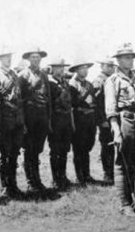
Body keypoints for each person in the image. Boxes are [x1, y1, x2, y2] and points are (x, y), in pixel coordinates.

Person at [105, 43, 135, 217]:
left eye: (131, 57)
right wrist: (116, 131)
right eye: (126, 58)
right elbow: (110, 109)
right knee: (121, 163)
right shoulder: (113, 81)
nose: (130, 61)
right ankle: (125, 205)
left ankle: (133, 204)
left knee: (132, 164)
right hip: (124, 122)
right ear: (118, 61)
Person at [0, 48, 25, 198]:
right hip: (4, 121)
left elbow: (19, 99)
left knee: (15, 153)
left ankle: (13, 185)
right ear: (0, 59)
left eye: (9, 57)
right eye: (5, 57)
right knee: (5, 154)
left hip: (17, 121)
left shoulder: (14, 75)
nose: (8, 59)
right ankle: (5, 187)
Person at [19, 47, 51, 192]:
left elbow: (48, 97)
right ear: (28, 59)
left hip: (42, 116)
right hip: (30, 115)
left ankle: (37, 180)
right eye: (33, 57)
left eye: (38, 57)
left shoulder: (44, 75)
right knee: (29, 149)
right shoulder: (23, 75)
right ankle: (31, 182)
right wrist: (23, 122)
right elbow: (20, 100)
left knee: (37, 150)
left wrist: (48, 119)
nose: (36, 59)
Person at [47, 57, 74, 190]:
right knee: (55, 150)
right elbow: (49, 104)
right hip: (55, 119)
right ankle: (55, 179)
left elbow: (69, 104)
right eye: (57, 67)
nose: (60, 70)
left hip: (66, 119)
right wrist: (50, 123)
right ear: (52, 69)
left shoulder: (65, 83)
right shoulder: (49, 83)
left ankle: (62, 176)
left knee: (64, 149)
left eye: (62, 67)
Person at [69, 59, 96, 184]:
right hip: (79, 119)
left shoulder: (89, 84)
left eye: (86, 68)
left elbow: (94, 102)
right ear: (76, 70)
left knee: (87, 147)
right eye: (81, 68)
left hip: (89, 119)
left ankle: (87, 174)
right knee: (79, 148)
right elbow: (73, 103)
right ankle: (80, 176)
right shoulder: (72, 84)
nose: (85, 71)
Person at [92, 58, 116, 184]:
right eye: (108, 66)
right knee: (107, 146)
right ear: (102, 66)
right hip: (104, 119)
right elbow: (96, 103)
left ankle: (112, 171)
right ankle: (107, 173)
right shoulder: (99, 81)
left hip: (112, 117)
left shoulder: (112, 79)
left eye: (112, 66)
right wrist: (101, 120)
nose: (111, 68)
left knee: (112, 146)